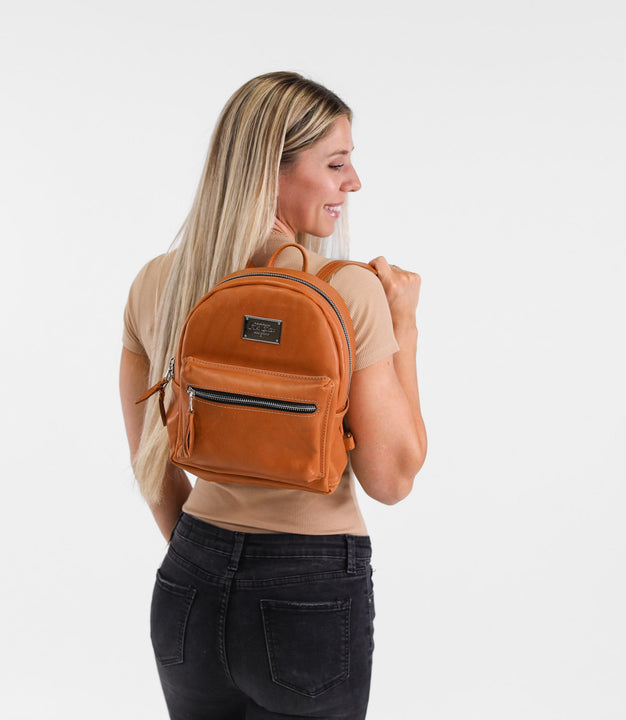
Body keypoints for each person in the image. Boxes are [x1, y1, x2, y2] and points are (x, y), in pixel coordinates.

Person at [119, 71, 427, 720]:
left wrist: (208, 562)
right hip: (310, 589)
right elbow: (393, 478)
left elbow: (151, 464)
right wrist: (404, 325)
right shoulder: (347, 291)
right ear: (269, 170)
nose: (353, 182)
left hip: (188, 584)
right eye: (336, 164)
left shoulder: (157, 283)